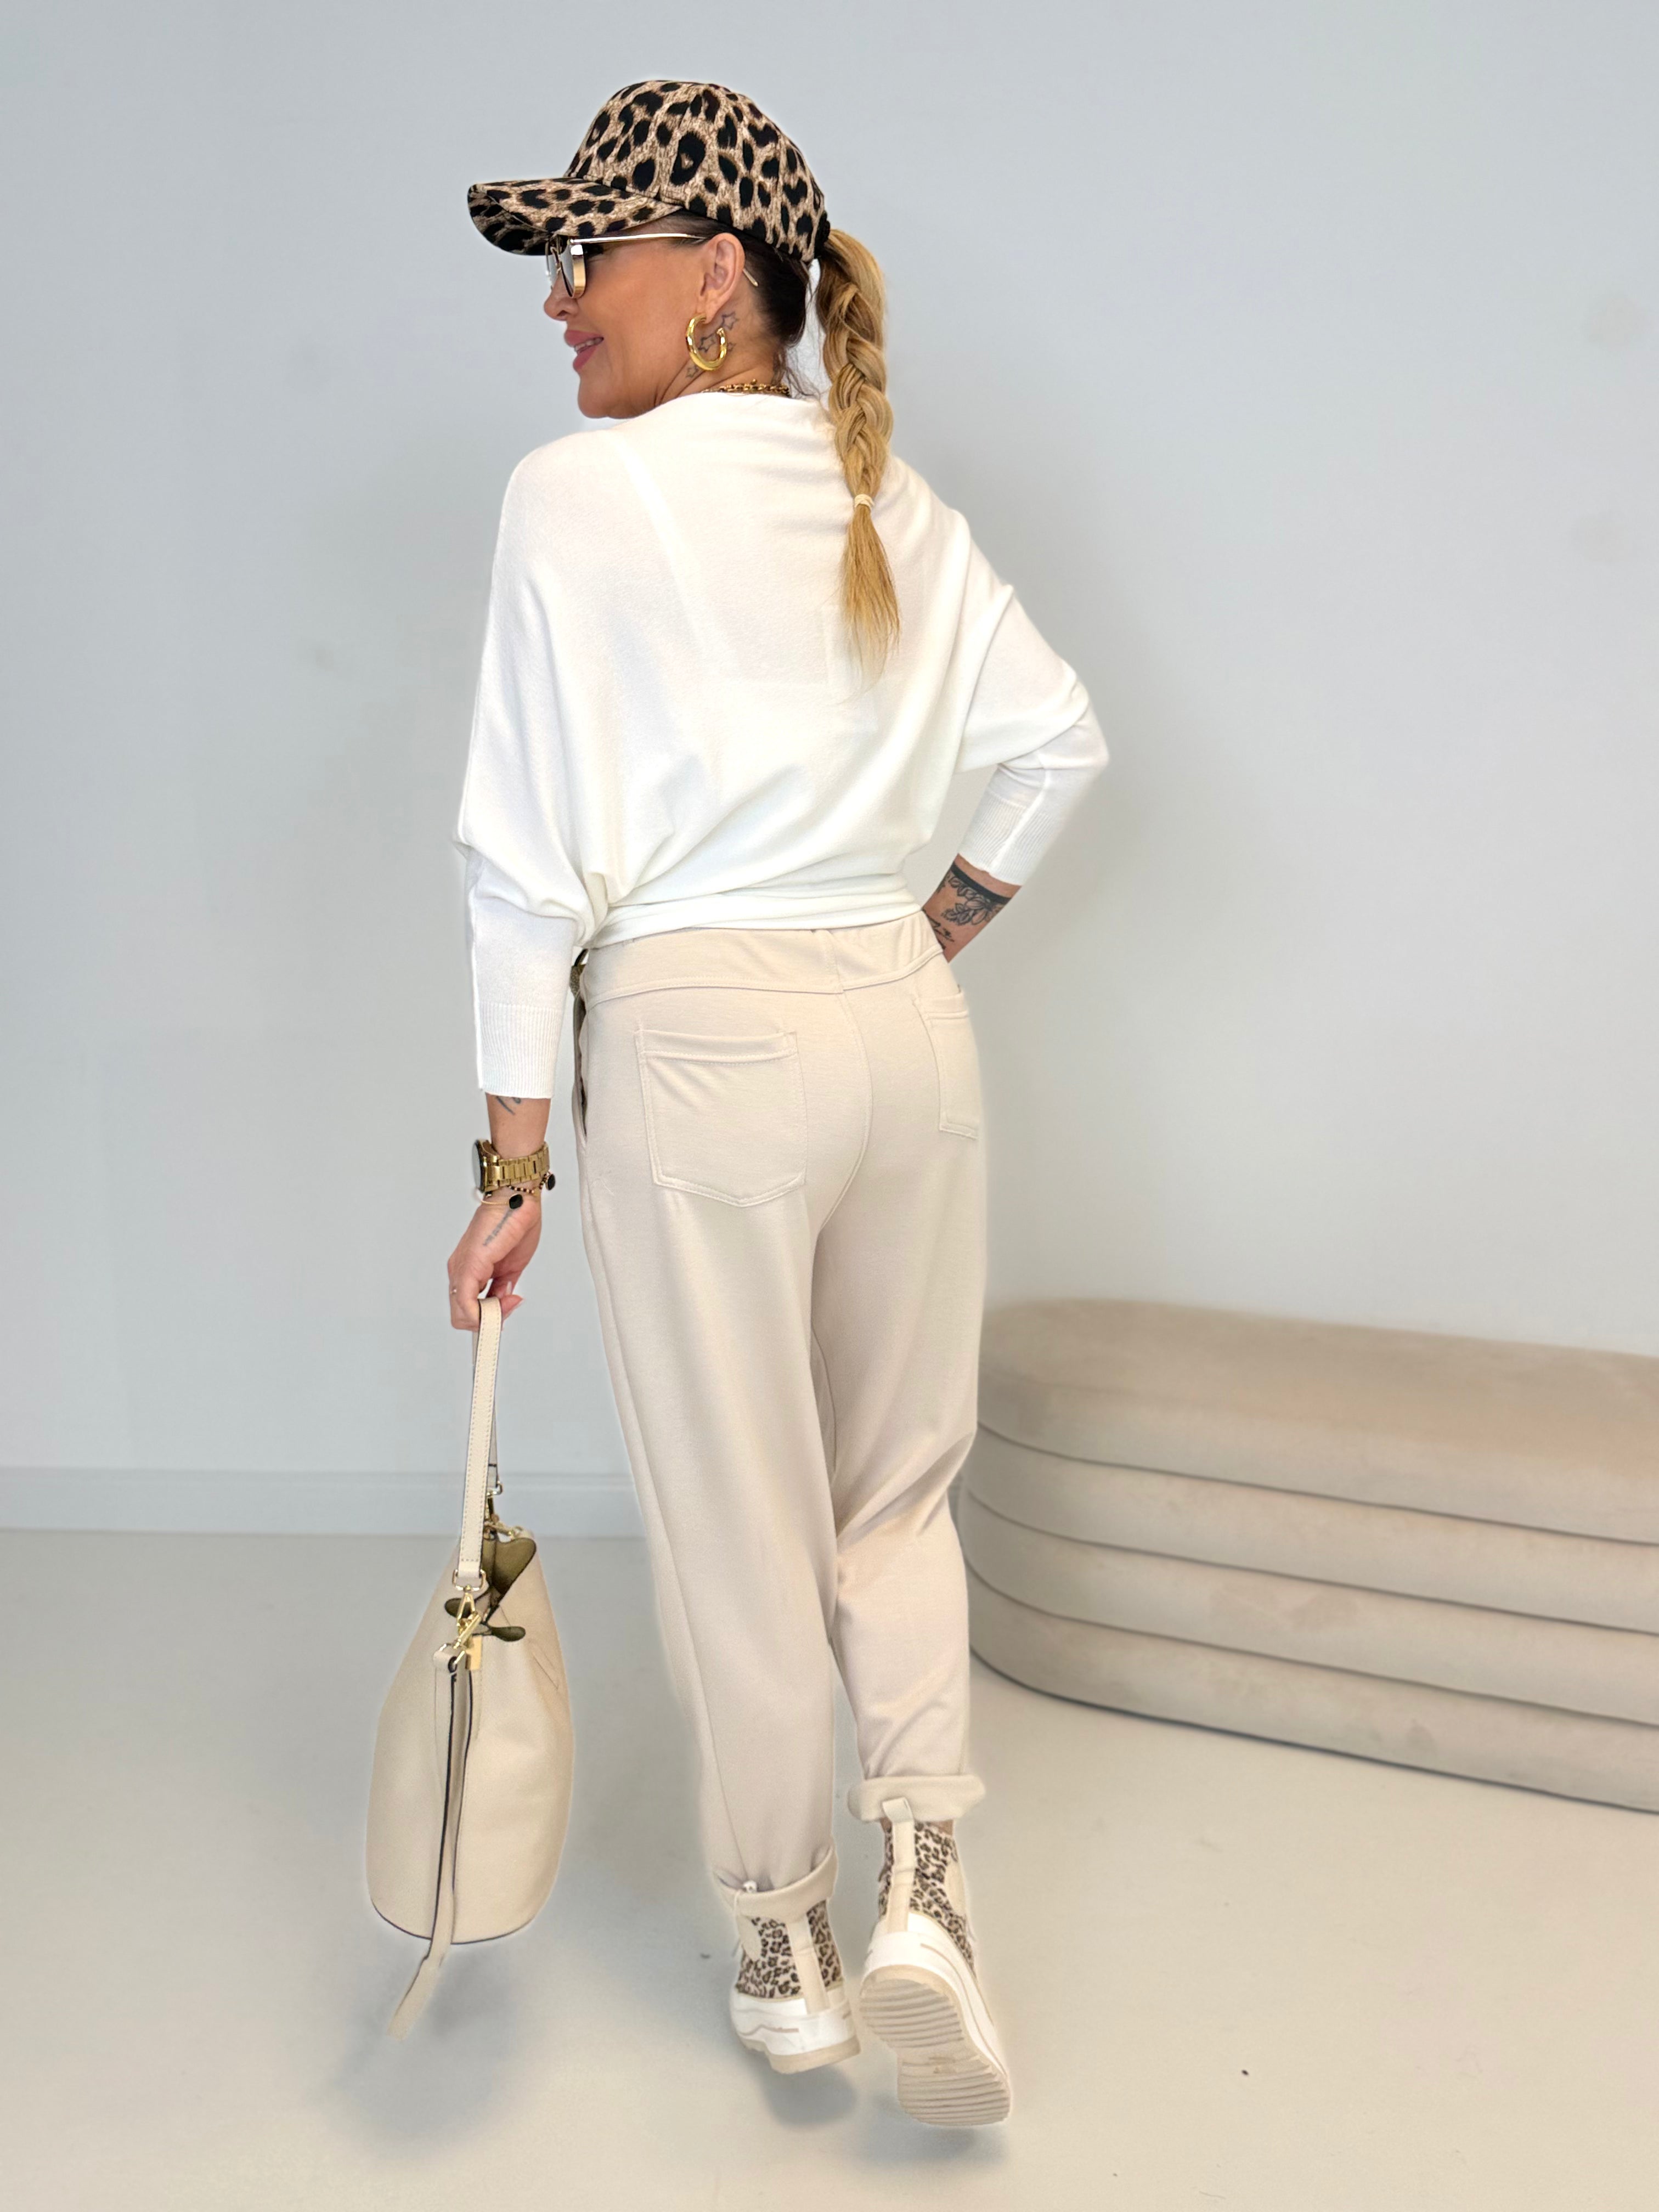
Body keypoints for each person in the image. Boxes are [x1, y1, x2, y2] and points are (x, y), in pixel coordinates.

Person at [445, 80, 1107, 2126]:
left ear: (718, 270)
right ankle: (930, 1888)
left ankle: (788, 1945)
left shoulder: (574, 496)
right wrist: (928, 932)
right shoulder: (889, 488)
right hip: (901, 1027)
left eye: (592, 253)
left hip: (699, 1042)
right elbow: (1061, 746)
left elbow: (522, 868)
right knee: (895, 1492)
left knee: (743, 1515)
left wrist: (512, 1166)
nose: (560, 297)